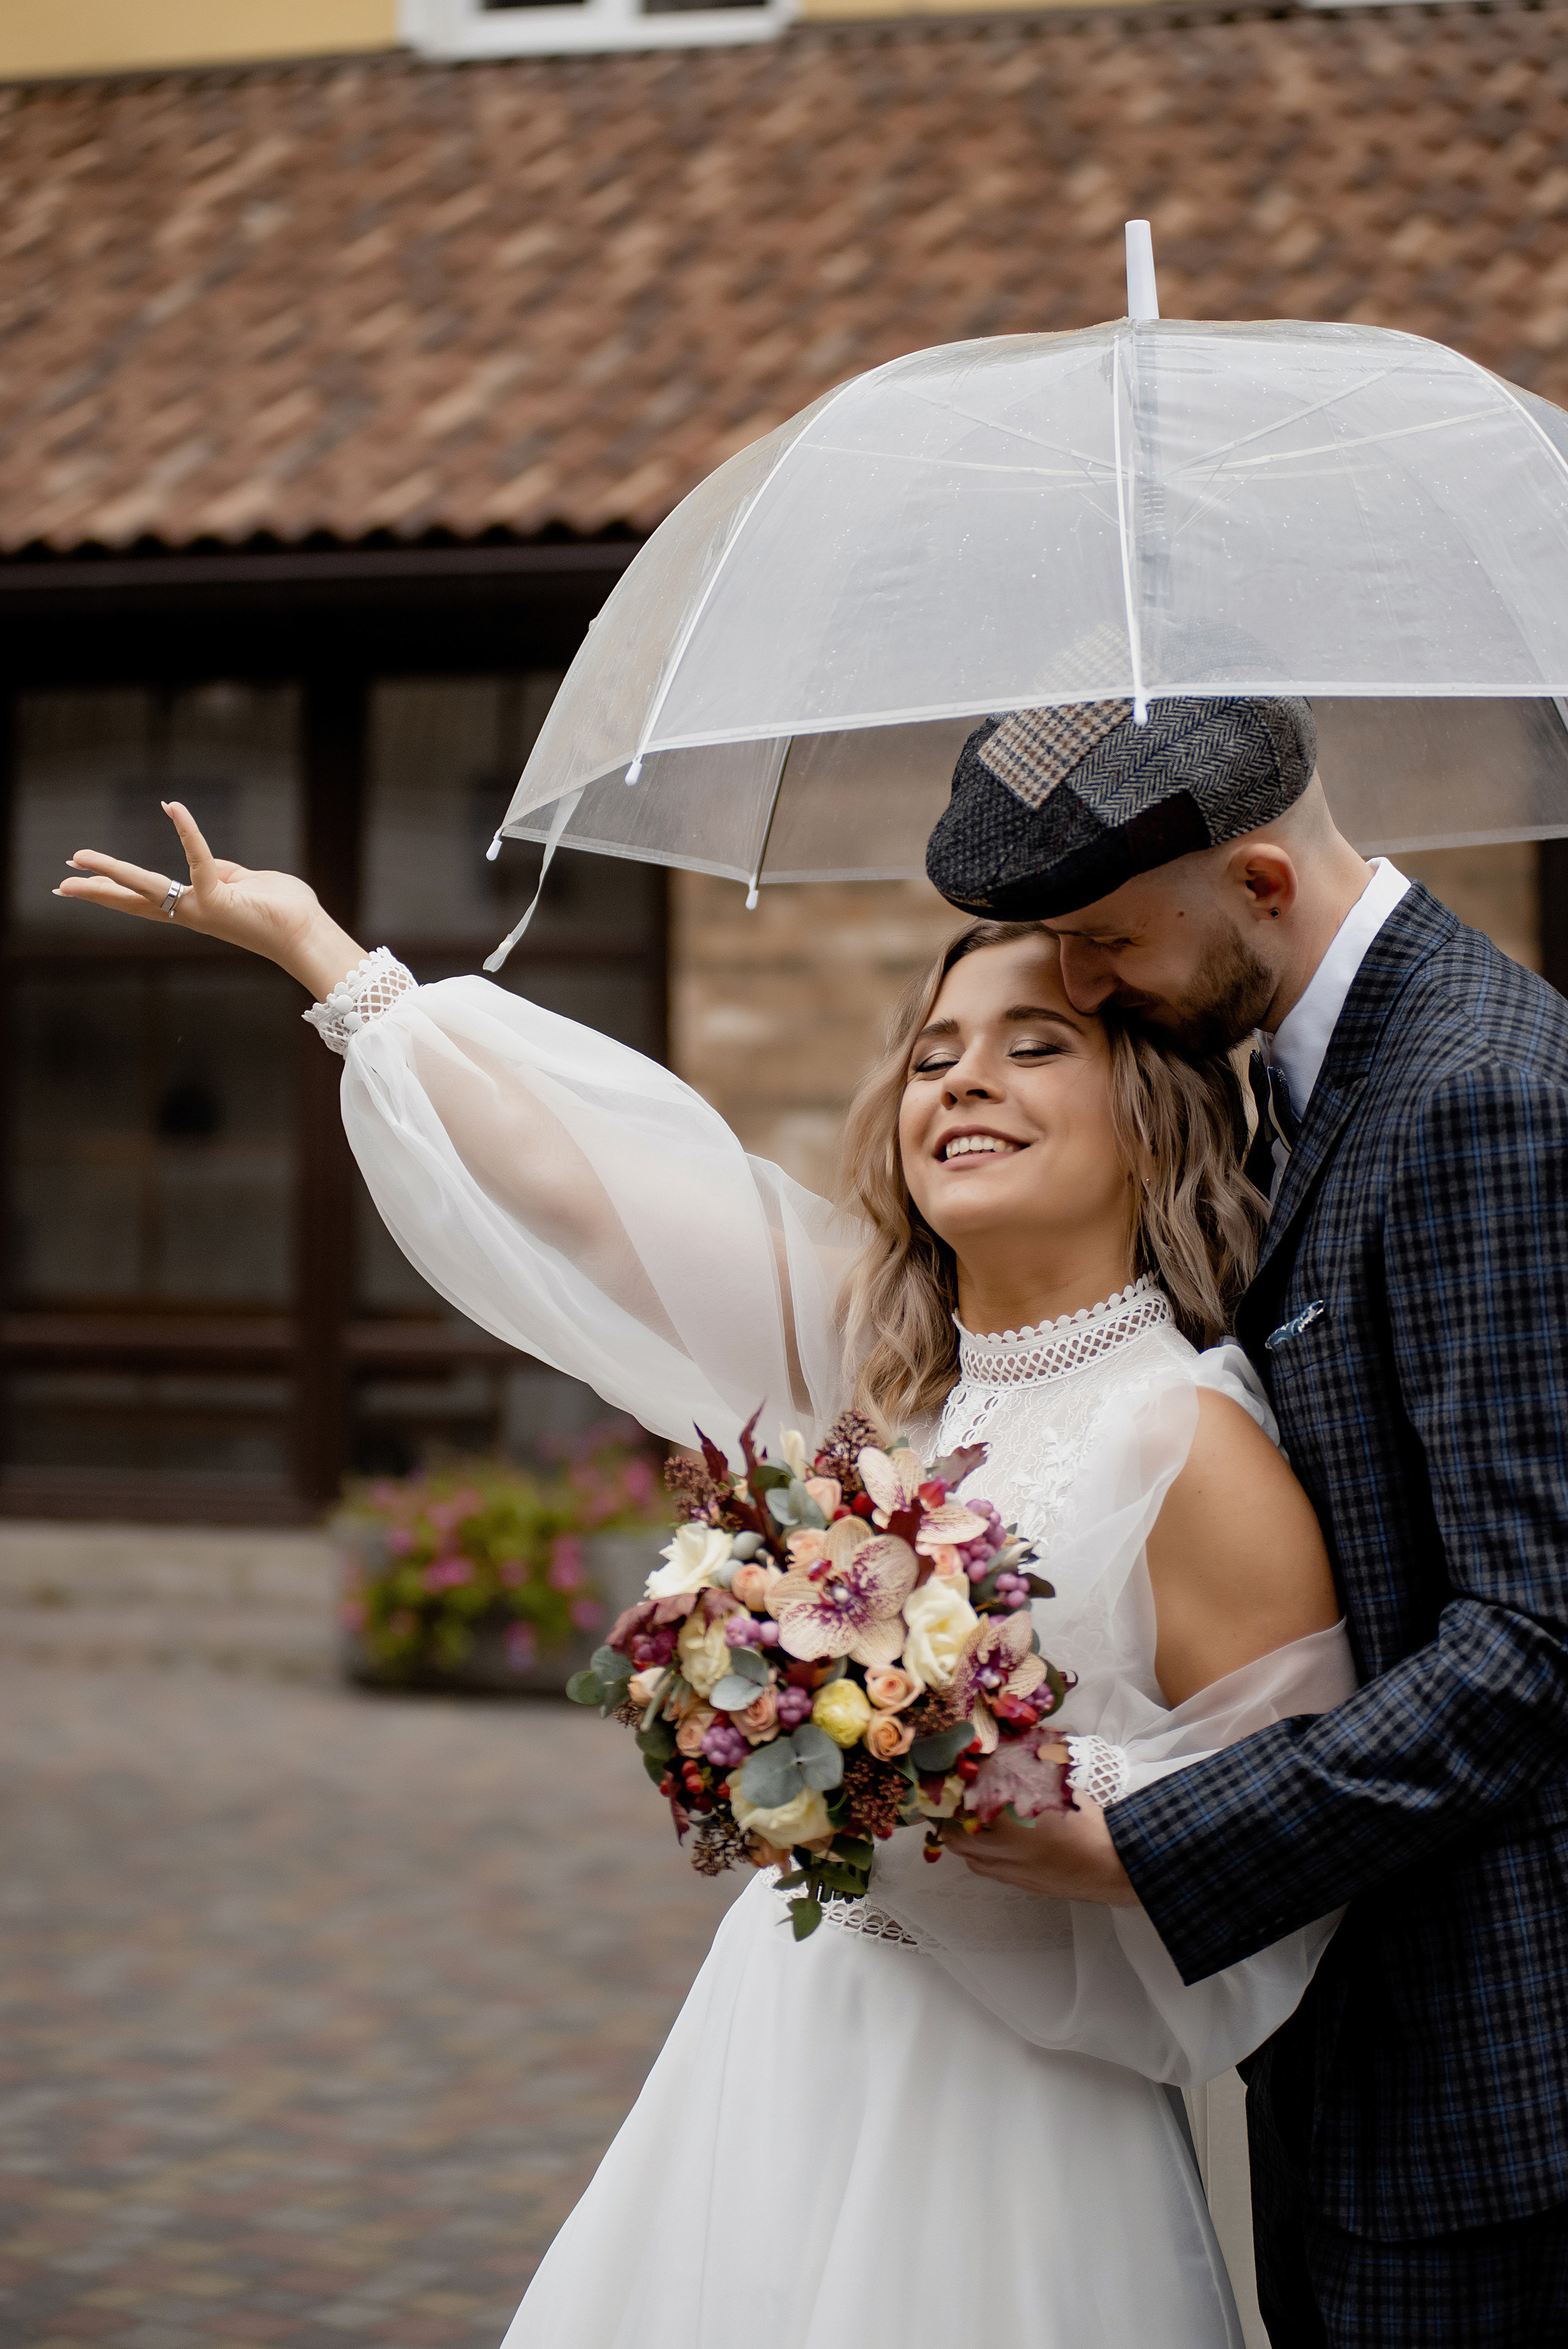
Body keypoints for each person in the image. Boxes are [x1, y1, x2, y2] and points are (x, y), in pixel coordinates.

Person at [57, 801, 1352, 2347]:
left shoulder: (1187, 1434)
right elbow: (575, 1190)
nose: (962, 1085)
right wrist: (325, 956)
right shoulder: (876, 1367)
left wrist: (1019, 1788)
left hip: (1011, 2115)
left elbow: (1291, 1807)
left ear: (1151, 1109)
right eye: (934, 1054)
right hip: (783, 2038)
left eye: (1032, 1047)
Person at [924, 690, 1568, 2347]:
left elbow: (1535, 1639)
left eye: (1103, 940)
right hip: (1376, 2062)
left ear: (1263, 884)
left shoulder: (1475, 1096)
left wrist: (1143, 1841)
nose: (1075, 984)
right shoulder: (1317, 1069)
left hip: (1499, 2088)